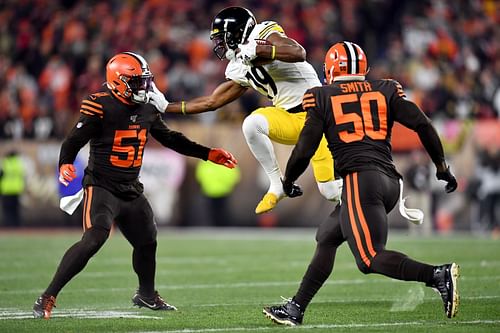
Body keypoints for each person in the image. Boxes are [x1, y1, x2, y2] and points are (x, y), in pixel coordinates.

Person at [262, 41, 460, 326]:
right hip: (390, 181)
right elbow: (423, 124)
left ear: (330, 69)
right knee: (327, 235)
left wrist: (287, 180)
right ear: (363, 68)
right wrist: (441, 166)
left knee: (369, 258)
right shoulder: (386, 89)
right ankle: (296, 307)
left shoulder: (320, 96)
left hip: (360, 180)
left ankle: (437, 275)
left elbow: (305, 149)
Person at [33, 51, 237, 319]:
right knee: (95, 237)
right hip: (101, 185)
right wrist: (65, 163)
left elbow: (170, 138)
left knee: (147, 241)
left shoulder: (148, 105)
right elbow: (73, 140)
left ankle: (147, 295)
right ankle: (47, 295)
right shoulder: (99, 104)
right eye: (136, 81)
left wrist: (207, 153)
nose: (144, 87)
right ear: (118, 81)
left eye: (144, 81)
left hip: (131, 188)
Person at [148, 6, 342, 214]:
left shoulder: (263, 32)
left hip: (317, 117)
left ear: (238, 32)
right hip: (288, 118)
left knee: (329, 190)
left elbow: (298, 52)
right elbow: (213, 101)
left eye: (222, 38)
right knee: (252, 124)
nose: (219, 45)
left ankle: (366, 193)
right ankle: (276, 184)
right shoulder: (236, 66)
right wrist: (168, 106)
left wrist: (262, 50)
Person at [195, 159, 241, 226]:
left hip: (216, 190)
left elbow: (200, 175)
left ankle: (217, 226)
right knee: (219, 212)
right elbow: (234, 175)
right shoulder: (226, 160)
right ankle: (219, 226)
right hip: (217, 190)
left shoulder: (206, 162)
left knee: (216, 212)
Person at [0, 150, 25, 227]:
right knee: (15, 210)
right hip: (16, 190)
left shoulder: (5, 163)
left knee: (7, 211)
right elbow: (22, 177)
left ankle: (9, 226)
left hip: (6, 191)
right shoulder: (19, 164)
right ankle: (16, 226)